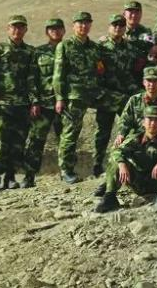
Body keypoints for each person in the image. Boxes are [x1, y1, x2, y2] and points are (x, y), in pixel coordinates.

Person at [0, 15, 40, 193]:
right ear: (8, 29)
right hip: (3, 105)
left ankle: (10, 177)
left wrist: (34, 102)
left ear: (26, 30)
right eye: (14, 27)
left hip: (22, 105)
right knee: (0, 144)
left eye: (21, 27)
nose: (17, 30)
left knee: (17, 144)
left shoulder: (30, 52)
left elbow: (32, 79)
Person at [95, 105, 157, 213]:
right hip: (137, 181)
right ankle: (110, 196)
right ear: (143, 123)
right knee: (116, 160)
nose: (153, 123)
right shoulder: (135, 138)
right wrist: (122, 164)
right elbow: (117, 151)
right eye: (150, 119)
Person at [53, 11, 103, 184]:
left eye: (87, 23)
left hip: (93, 94)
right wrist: (59, 98)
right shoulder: (65, 46)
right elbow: (58, 75)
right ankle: (66, 170)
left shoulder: (94, 48)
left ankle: (101, 166)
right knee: (70, 133)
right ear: (73, 26)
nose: (83, 26)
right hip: (74, 96)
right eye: (80, 23)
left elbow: (100, 70)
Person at [21, 18, 64, 188]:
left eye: (58, 28)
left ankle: (66, 174)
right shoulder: (38, 52)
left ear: (64, 31)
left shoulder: (69, 50)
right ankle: (29, 176)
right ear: (47, 32)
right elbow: (32, 79)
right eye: (52, 29)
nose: (55, 31)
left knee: (66, 141)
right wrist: (34, 101)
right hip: (44, 105)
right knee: (36, 141)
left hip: (64, 105)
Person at [95, 14, 137, 177]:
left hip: (124, 97)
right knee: (102, 132)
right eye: (114, 25)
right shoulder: (101, 46)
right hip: (106, 96)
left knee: (128, 130)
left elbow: (132, 70)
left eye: (121, 25)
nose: (118, 28)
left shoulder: (129, 47)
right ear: (109, 26)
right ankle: (98, 164)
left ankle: (127, 162)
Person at [122, 1, 155, 89]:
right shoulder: (118, 30)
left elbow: (153, 56)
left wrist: (145, 61)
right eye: (131, 12)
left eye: (137, 12)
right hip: (120, 76)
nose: (134, 15)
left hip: (139, 76)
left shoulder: (147, 32)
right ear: (124, 14)